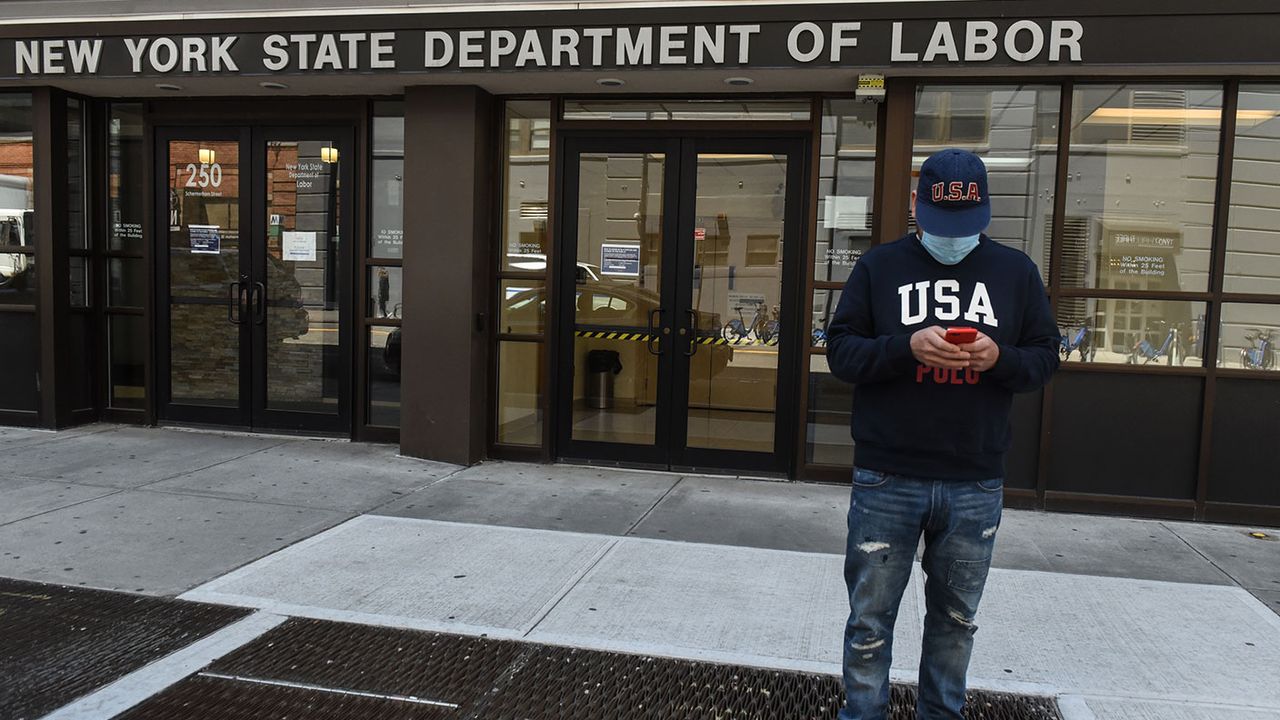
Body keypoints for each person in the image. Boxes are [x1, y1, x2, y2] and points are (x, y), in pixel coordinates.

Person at [826, 148, 1059, 720]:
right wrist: (904, 348)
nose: (950, 238)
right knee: (869, 620)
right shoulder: (879, 267)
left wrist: (998, 357)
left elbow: (1045, 358)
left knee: (955, 623)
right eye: (938, 223)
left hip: (974, 479)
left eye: (962, 225)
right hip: (887, 475)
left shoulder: (1015, 272)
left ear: (985, 210)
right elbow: (841, 352)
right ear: (915, 205)